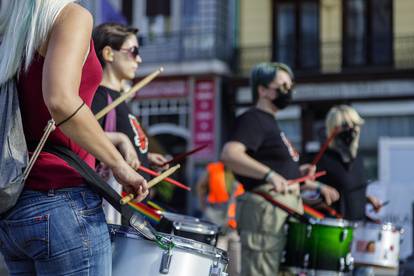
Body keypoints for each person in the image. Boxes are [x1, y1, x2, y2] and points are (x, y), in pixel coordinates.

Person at [0, 1, 148, 275]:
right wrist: (118, 163)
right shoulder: (71, 16)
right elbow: (61, 101)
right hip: (62, 202)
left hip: (13, 208)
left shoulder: (9, 27)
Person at [221, 62, 339, 276]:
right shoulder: (253, 119)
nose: (288, 91)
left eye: (290, 85)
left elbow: (278, 171)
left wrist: (302, 176)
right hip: (266, 216)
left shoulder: (271, 124)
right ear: (262, 90)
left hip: (280, 215)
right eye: (282, 86)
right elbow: (230, 154)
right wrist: (269, 175)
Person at [91, 23, 169, 224]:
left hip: (130, 208)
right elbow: (83, 136)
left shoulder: (119, 98)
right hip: (111, 213)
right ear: (109, 54)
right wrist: (122, 139)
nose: (139, 59)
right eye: (133, 52)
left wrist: (145, 157)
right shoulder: (100, 96)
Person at [316, 105, 382, 276]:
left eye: (354, 125)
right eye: (345, 125)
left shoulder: (358, 159)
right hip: (333, 236)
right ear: (333, 129)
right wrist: (319, 188)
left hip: (360, 234)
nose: (351, 130)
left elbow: (347, 188)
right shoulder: (323, 160)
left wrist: (367, 199)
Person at [197, 161, 244, 276]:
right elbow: (201, 186)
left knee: (237, 268)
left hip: (236, 226)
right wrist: (205, 209)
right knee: (216, 264)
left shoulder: (244, 171)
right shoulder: (214, 168)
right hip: (217, 223)